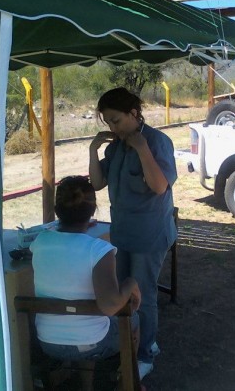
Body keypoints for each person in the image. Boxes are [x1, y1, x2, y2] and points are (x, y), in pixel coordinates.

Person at [89, 87, 177, 379]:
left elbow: (159, 186)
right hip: (123, 231)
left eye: (116, 120)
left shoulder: (157, 142)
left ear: (134, 114)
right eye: (108, 123)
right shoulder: (115, 147)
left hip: (149, 233)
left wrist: (141, 148)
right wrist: (93, 150)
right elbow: (98, 183)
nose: (113, 128)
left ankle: (145, 352)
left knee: (144, 292)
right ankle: (130, 341)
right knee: (124, 292)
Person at [30, 176, 141, 389]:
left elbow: (67, 248)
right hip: (92, 344)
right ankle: (127, 381)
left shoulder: (40, 242)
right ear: (93, 212)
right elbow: (110, 306)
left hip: (47, 342)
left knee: (89, 323)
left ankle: (86, 386)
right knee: (133, 319)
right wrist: (131, 283)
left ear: (57, 210)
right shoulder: (98, 250)